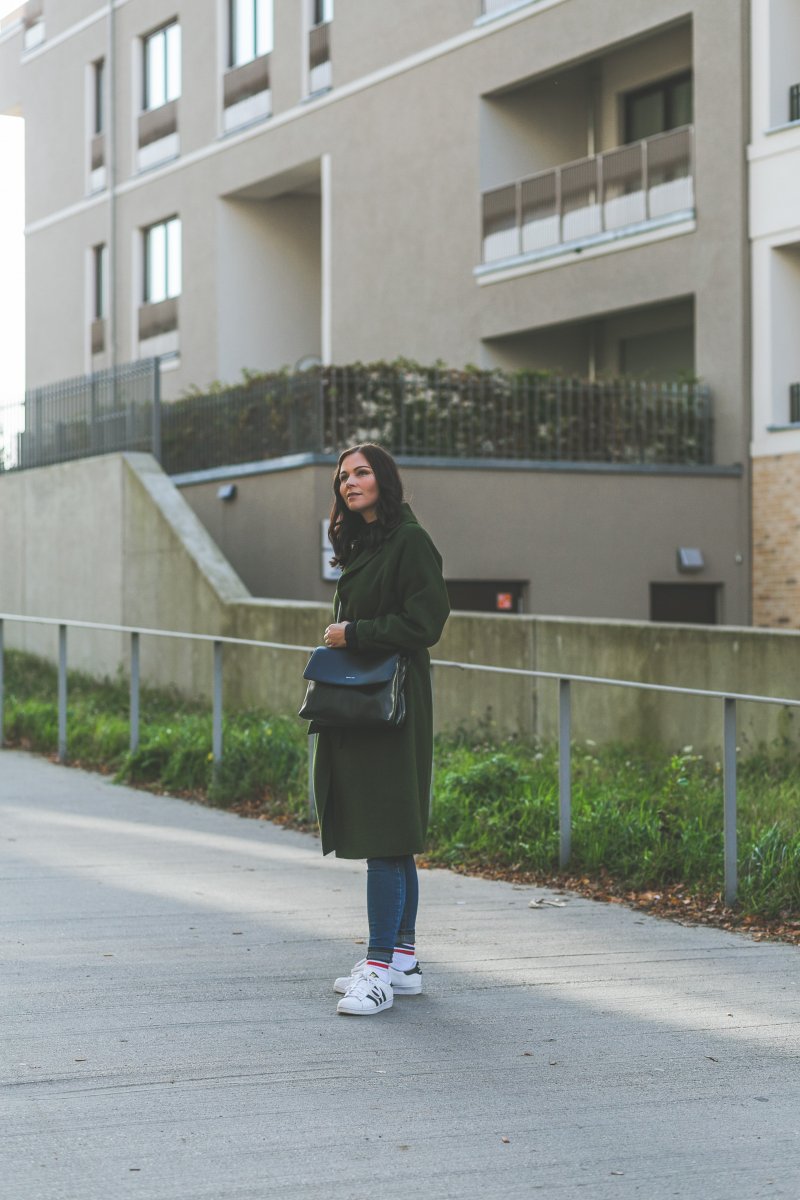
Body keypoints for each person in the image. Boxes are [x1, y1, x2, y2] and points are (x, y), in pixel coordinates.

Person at [312, 443, 450, 1016]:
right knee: (393, 837)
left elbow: (428, 620)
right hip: (365, 705)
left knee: (383, 838)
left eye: (361, 472)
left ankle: (376, 968)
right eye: (343, 476)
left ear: (384, 480)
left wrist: (353, 633)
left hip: (393, 705)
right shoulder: (365, 544)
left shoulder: (410, 542)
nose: (349, 482)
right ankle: (403, 961)